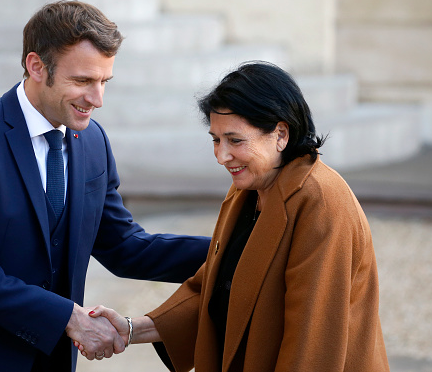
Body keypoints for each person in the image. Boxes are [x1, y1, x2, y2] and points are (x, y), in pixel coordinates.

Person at [0, 0, 210, 372]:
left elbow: (124, 246)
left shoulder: (92, 142)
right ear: (36, 66)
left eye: (104, 81)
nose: (97, 99)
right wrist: (70, 318)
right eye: (82, 81)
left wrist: (234, 249)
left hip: (50, 361)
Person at [81, 61, 390, 371]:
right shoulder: (248, 189)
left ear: (281, 134)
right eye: (216, 139)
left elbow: (310, 344)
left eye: (235, 140)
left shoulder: (321, 202)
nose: (221, 156)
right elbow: (214, 289)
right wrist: (132, 329)